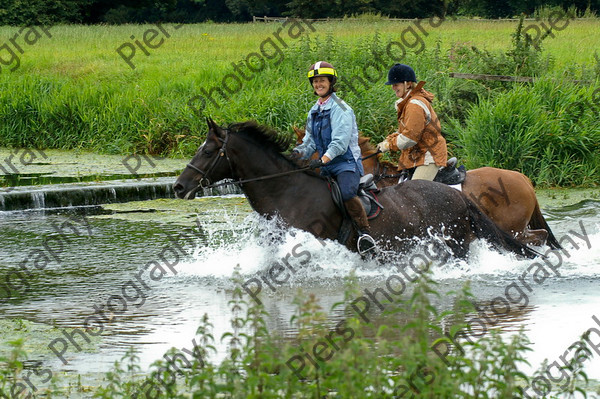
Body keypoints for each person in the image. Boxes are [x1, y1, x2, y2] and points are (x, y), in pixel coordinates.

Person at [292, 61, 376, 254]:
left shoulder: (341, 108)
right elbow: (310, 142)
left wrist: (323, 160)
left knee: (346, 193)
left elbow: (340, 142)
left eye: (322, 81)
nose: (318, 84)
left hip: (345, 164)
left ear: (331, 82)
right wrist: (296, 154)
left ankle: (365, 234)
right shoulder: (315, 110)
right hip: (326, 165)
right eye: (315, 82)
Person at [376, 64, 447, 181]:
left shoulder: (414, 105)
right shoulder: (408, 103)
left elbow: (410, 138)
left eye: (396, 84)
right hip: (419, 156)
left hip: (429, 157)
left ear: (408, 84)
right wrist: (388, 139)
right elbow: (404, 131)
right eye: (393, 85)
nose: (393, 88)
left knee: (414, 194)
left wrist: (389, 145)